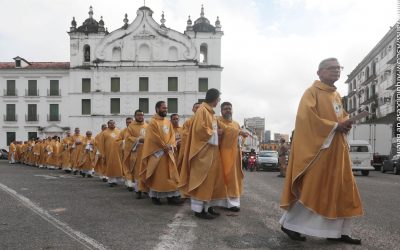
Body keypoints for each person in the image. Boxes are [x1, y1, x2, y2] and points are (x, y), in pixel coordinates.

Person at [279, 58, 363, 244]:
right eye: (331, 68)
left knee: (342, 189)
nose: (336, 71)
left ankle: (338, 232)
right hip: (319, 152)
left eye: (338, 68)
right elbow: (306, 119)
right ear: (320, 72)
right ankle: (289, 224)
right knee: (312, 188)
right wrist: (335, 126)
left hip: (338, 150)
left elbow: (341, 117)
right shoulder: (311, 93)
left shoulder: (336, 95)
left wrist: (346, 124)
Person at [179, 89, 248, 219]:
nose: (218, 102)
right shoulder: (202, 111)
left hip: (211, 154)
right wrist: (216, 133)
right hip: (203, 155)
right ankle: (199, 210)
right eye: (218, 99)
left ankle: (207, 207)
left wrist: (238, 132)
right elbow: (201, 130)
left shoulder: (210, 112)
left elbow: (223, 127)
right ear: (214, 98)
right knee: (202, 182)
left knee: (210, 182)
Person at [140, 101, 183, 205]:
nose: (165, 110)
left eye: (166, 108)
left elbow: (172, 135)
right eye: (163, 108)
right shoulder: (153, 122)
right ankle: (155, 197)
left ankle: (171, 197)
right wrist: (164, 146)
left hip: (168, 153)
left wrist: (171, 144)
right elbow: (153, 137)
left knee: (170, 175)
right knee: (158, 177)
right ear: (157, 109)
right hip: (157, 154)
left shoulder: (168, 122)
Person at [217, 101, 243, 212]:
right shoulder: (217, 121)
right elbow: (222, 133)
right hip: (222, 154)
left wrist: (240, 135)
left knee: (233, 179)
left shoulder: (236, 124)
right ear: (221, 111)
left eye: (229, 108)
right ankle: (219, 201)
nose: (228, 110)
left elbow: (239, 138)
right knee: (221, 178)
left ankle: (233, 204)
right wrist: (238, 132)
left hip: (235, 155)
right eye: (225, 108)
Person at [124, 110, 148, 198]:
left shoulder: (147, 125)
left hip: (147, 151)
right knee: (138, 172)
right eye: (138, 115)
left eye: (142, 115)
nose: (140, 117)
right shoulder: (131, 126)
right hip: (137, 152)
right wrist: (138, 139)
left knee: (146, 170)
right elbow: (128, 138)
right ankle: (138, 190)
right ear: (135, 116)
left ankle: (146, 189)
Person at [176, 103, 200, 173]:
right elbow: (185, 135)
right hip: (191, 149)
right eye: (196, 107)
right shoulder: (188, 122)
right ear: (193, 110)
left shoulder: (206, 121)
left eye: (200, 108)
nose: (198, 109)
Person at [101, 120, 123, 186]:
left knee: (117, 165)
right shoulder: (104, 133)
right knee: (110, 166)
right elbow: (101, 144)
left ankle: (116, 180)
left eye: (113, 123)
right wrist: (102, 153)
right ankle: (111, 181)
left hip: (118, 152)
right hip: (108, 152)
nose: (112, 124)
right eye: (110, 123)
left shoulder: (119, 131)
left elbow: (122, 140)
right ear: (108, 124)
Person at [117, 117, 133, 190]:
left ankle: (132, 182)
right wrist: (123, 142)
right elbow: (118, 141)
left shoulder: (135, 130)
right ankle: (129, 183)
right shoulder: (123, 131)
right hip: (126, 153)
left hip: (135, 153)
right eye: (127, 122)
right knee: (127, 167)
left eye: (130, 122)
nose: (129, 124)